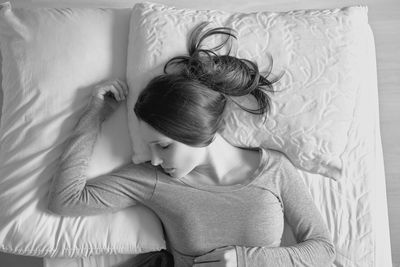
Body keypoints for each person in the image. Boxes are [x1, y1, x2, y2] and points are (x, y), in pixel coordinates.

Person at [48, 22, 336, 267]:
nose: (156, 159)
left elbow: (323, 249)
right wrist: (93, 116)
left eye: (163, 146)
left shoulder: (274, 168)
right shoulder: (155, 180)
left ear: (194, 130)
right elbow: (66, 201)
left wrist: (244, 259)